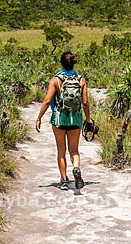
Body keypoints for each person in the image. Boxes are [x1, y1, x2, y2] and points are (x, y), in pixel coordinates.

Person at [35, 52, 93, 190]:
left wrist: (39, 118)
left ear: (61, 63)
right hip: (76, 118)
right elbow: (85, 102)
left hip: (59, 118)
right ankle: (76, 168)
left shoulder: (56, 80)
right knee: (74, 151)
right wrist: (88, 118)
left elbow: (47, 100)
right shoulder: (81, 80)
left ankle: (64, 180)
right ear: (74, 63)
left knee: (61, 150)